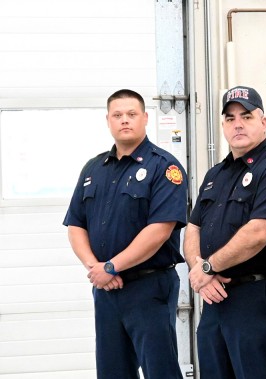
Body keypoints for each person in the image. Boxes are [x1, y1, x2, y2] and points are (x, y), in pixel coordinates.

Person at [63, 89, 188, 379]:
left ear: (145, 118)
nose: (125, 120)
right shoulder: (94, 168)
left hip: (149, 287)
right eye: (117, 115)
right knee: (112, 372)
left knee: (161, 371)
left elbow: (159, 230)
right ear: (108, 121)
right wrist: (95, 268)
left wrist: (111, 266)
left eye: (132, 114)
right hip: (106, 289)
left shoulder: (164, 167)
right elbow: (76, 224)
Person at [184, 85, 266, 378]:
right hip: (214, 297)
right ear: (223, 125)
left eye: (246, 116)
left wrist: (208, 267)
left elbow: (259, 232)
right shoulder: (215, 175)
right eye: (230, 118)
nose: (238, 124)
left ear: (264, 122)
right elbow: (193, 228)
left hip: (256, 296)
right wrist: (200, 271)